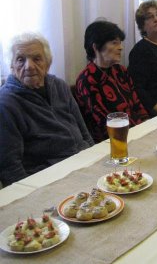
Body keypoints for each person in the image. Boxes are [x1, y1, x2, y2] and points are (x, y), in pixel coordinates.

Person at [0, 33, 94, 186]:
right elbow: (10, 168)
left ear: (48, 63)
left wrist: (95, 160)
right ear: (11, 66)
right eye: (20, 59)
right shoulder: (6, 103)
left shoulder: (59, 86)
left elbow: (84, 133)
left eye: (36, 59)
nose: (29, 66)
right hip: (50, 179)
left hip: (83, 166)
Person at [75, 21, 149, 143]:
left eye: (120, 43)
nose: (120, 47)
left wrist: (148, 127)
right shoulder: (87, 79)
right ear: (96, 47)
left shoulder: (121, 71)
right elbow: (103, 122)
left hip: (137, 133)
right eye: (114, 43)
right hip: (111, 142)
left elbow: (137, 105)